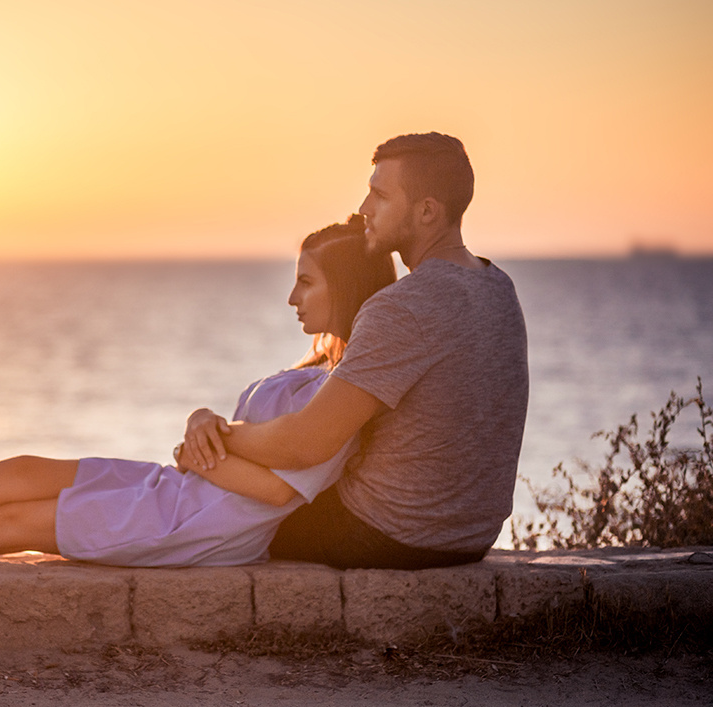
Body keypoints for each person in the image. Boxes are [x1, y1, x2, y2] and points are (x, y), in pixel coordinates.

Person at [0, 215, 396, 566]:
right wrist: (205, 424)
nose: (292, 297)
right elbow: (237, 438)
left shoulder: (347, 393)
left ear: (343, 288)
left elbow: (281, 491)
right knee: (19, 471)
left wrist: (204, 452)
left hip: (198, 523)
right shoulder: (313, 370)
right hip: (177, 490)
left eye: (306, 282)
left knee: (10, 524)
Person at [179, 132, 530, 570]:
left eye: (380, 196)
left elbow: (305, 444)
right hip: (469, 537)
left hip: (382, 532)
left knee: (218, 510)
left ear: (427, 211)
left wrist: (212, 435)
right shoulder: (497, 286)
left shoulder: (404, 305)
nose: (365, 208)